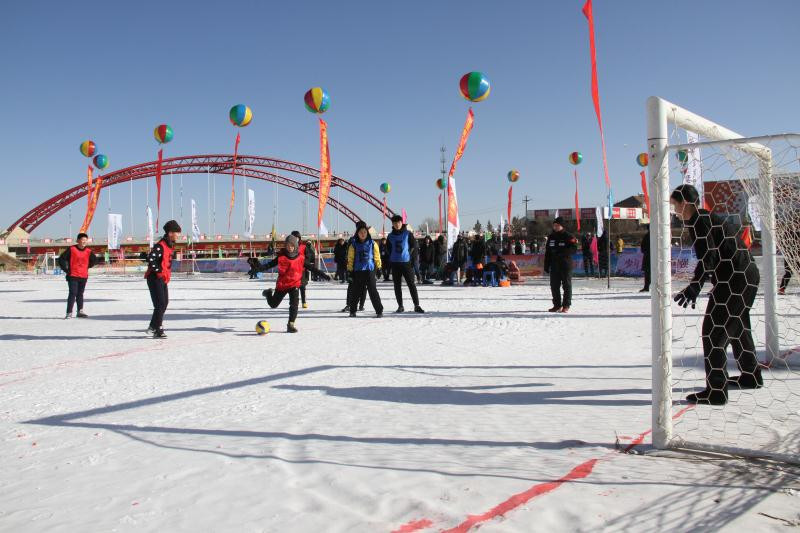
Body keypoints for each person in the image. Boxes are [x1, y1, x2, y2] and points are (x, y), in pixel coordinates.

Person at [671, 184, 761, 405]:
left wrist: (695, 285)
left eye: (675, 205)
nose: (674, 210)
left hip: (736, 279)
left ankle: (717, 391)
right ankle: (751, 375)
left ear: (685, 203)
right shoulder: (702, 218)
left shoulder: (700, 220)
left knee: (713, 333)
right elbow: (714, 254)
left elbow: (708, 255)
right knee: (738, 327)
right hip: (744, 275)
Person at [260, 235, 330, 333]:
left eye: (292, 245)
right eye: (288, 245)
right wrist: (258, 269)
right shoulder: (281, 257)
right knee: (273, 305)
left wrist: (323, 275)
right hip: (283, 284)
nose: (290, 247)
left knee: (294, 305)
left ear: (295, 246)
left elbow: (312, 268)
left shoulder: (301, 258)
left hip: (294, 284)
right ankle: (268, 293)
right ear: (285, 245)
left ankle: (291, 324)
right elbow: (269, 264)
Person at [145, 220, 181, 338]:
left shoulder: (169, 245)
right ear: (170, 233)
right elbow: (151, 259)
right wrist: (159, 272)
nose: (179, 235)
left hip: (162, 278)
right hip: (155, 277)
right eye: (177, 233)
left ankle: (153, 326)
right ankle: (158, 329)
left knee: (164, 303)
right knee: (160, 304)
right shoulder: (160, 245)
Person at [386, 215, 424, 313]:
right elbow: (388, 249)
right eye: (394, 223)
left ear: (401, 222)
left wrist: (410, 259)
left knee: (411, 284)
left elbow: (414, 246)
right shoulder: (390, 236)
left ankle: (417, 305)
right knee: (397, 285)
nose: (397, 224)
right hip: (395, 264)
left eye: (398, 222)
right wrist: (392, 257)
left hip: (406, 263)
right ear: (392, 224)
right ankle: (400, 306)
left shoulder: (408, 234)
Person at [346, 221, 384, 317]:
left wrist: (379, 267)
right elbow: (350, 259)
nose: (362, 234)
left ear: (367, 233)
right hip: (358, 271)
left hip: (369, 270)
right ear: (357, 234)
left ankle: (379, 310)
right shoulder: (353, 244)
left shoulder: (372, 243)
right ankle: (352, 310)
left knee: (373, 291)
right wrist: (350, 270)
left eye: (364, 232)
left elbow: (377, 256)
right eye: (360, 232)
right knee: (356, 291)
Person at [57, 232, 98, 319]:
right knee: (73, 293)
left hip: (83, 275)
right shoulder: (71, 249)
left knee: (80, 294)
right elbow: (61, 259)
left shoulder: (88, 251)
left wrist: (87, 266)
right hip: (73, 275)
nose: (84, 242)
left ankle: (80, 311)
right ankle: (69, 312)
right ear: (78, 240)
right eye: (82, 240)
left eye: (85, 240)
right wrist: (66, 269)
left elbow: (94, 260)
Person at [544, 216, 577, 313]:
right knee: (554, 285)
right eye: (554, 225)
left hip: (565, 264)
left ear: (562, 226)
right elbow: (548, 252)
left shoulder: (568, 236)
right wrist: (546, 265)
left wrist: (563, 253)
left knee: (566, 285)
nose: (555, 227)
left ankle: (566, 305)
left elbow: (574, 248)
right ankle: (557, 305)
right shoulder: (551, 237)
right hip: (554, 265)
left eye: (557, 225)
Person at [640, 226, 651, 292]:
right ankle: (646, 287)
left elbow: (642, 247)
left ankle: (646, 287)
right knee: (649, 273)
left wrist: (646, 252)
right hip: (651, 257)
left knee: (647, 273)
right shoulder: (657, 235)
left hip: (647, 257)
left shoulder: (647, 236)